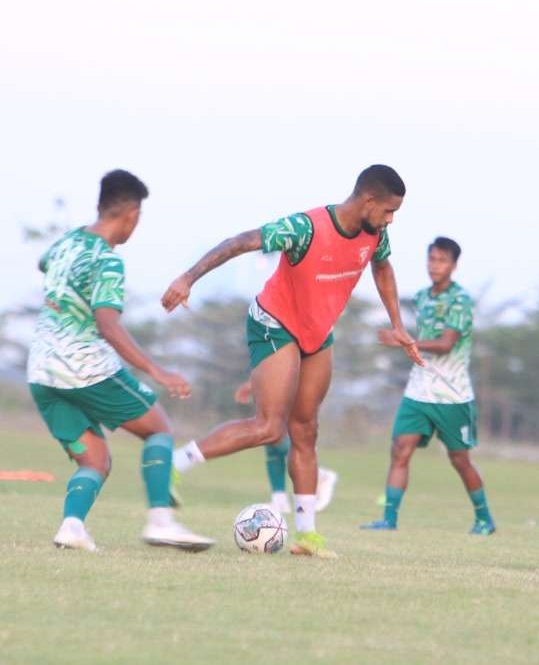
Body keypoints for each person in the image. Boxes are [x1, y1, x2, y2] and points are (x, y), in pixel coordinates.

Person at [161, 164, 423, 559]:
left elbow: (382, 267)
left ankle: (307, 537)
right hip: (275, 324)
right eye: (388, 211)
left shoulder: (375, 233)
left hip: (317, 335)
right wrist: (187, 278)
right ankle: (171, 463)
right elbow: (240, 242)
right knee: (269, 427)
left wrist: (398, 324)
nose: (390, 220)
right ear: (368, 200)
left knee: (306, 429)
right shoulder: (305, 228)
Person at [27, 170, 211, 552]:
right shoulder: (108, 262)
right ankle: (161, 522)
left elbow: (44, 264)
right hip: (84, 369)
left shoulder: (65, 244)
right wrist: (157, 372)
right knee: (158, 428)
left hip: (42, 371)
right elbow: (108, 325)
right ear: (130, 214)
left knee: (95, 460)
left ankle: (72, 527)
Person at [361, 236, 495, 534]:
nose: (435, 265)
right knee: (400, 450)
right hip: (418, 390)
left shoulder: (460, 300)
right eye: (432, 259)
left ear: (454, 265)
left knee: (459, 460)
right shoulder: (422, 297)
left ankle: (484, 518)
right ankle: (389, 520)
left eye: (442, 260)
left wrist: (405, 340)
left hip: (452, 394)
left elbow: (447, 344)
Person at [230, 381, 338, 515]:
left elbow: (276, 363)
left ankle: (320, 475)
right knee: (271, 443)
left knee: (279, 436)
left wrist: (252, 384)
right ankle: (279, 500)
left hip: (288, 383)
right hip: (272, 386)